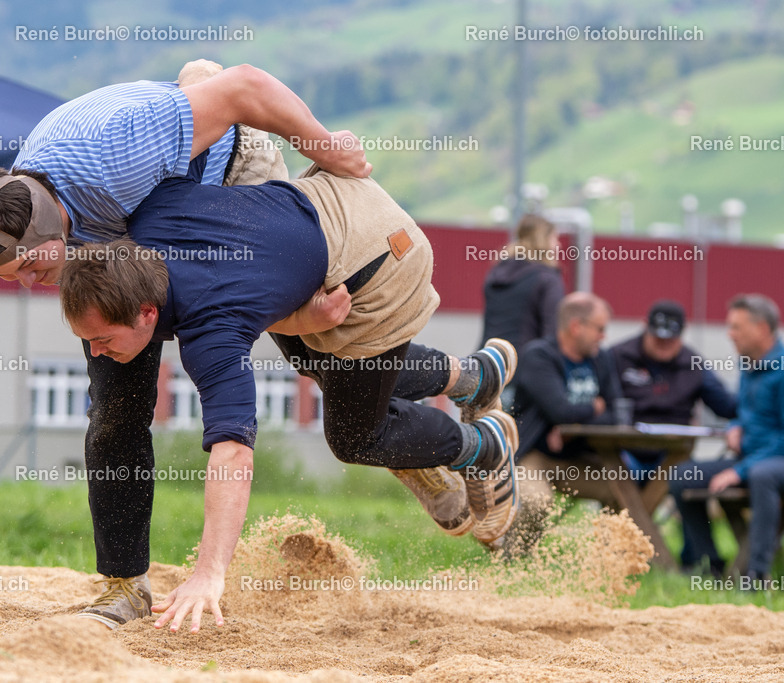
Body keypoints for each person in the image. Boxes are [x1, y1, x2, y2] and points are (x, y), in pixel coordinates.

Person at [57, 156, 520, 634]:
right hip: (332, 200)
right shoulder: (150, 215)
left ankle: (483, 446)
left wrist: (209, 573)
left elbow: (234, 452)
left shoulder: (212, 332)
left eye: (103, 339)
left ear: (148, 313)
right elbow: (203, 108)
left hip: (381, 257)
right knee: (319, 360)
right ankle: (474, 378)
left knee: (355, 434)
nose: (96, 352)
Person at [669, 294, 784, 581]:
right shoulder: (749, 365)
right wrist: (735, 425)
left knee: (762, 475)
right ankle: (710, 565)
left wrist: (739, 471)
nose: (730, 334)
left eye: (736, 327)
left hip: (771, 463)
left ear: (761, 329)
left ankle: (757, 574)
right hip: (750, 459)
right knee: (682, 475)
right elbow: (746, 413)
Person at [510, 292, 623, 508]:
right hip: (534, 456)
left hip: (578, 458)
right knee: (536, 503)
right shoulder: (538, 356)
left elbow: (617, 413)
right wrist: (594, 407)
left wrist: (572, 430)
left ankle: (609, 534)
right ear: (576, 327)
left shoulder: (601, 358)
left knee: (624, 493)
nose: (603, 337)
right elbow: (561, 411)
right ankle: (510, 534)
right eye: (600, 329)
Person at [610, 300, 737, 478]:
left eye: (671, 339)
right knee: (615, 474)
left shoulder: (694, 364)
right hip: (624, 453)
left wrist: (739, 423)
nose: (664, 344)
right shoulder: (618, 357)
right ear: (645, 326)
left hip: (674, 455)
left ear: (683, 332)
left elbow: (727, 406)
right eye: (658, 338)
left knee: (688, 477)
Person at [480, 214, 564, 355]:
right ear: (543, 241)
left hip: (489, 357)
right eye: (554, 238)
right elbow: (552, 332)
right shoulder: (547, 279)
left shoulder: (496, 272)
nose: (558, 245)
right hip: (526, 361)